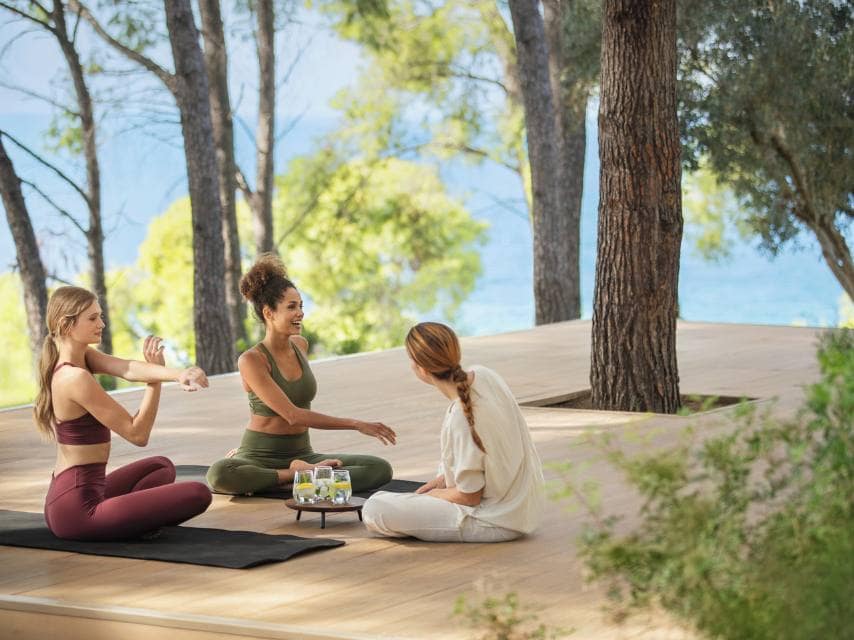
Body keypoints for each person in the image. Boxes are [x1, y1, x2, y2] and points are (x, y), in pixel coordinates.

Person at [206, 254, 396, 495]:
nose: (300, 313)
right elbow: (292, 415)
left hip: (303, 453)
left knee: (378, 469)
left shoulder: (300, 345)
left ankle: (291, 479)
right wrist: (356, 424)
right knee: (221, 474)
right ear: (269, 313)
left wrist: (306, 463)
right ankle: (296, 478)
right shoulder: (252, 360)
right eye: (291, 307)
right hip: (259, 455)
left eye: (301, 306)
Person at [34, 286, 212, 541]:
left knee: (161, 467)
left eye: (100, 316)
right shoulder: (74, 378)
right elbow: (137, 433)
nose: (102, 324)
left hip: (75, 495)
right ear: (66, 324)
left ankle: (126, 518)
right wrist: (156, 382)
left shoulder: (81, 357)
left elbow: (128, 369)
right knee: (198, 494)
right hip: (78, 511)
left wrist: (180, 374)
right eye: (93, 318)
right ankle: (121, 520)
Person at [362, 322, 544, 542]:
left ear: (421, 368)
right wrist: (441, 481)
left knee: (375, 508)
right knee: (404, 495)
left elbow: (470, 497)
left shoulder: (461, 417)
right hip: (523, 508)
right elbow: (492, 453)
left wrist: (434, 495)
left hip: (494, 519)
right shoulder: (487, 375)